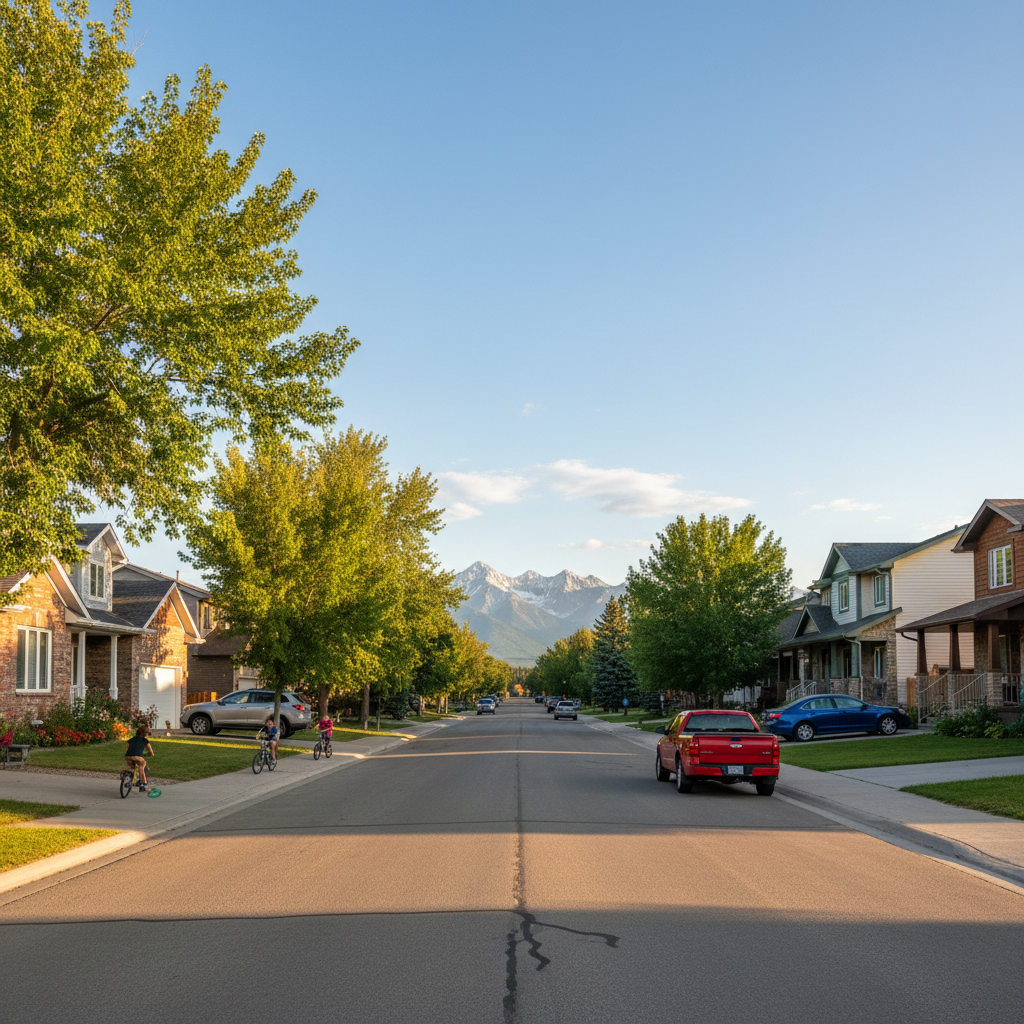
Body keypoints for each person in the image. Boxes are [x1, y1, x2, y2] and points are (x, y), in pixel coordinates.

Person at [125, 724, 155, 792]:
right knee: (142, 765)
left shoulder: (132, 739)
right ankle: (144, 784)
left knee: (133, 768)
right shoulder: (145, 741)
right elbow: (151, 752)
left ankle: (129, 779)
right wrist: (148, 754)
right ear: (145, 734)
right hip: (137, 757)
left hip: (127, 756)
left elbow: (127, 743)